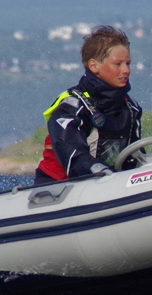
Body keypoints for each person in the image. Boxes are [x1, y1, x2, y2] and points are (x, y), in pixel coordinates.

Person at [34, 25, 143, 185]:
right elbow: (73, 154)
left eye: (128, 63)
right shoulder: (71, 107)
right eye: (118, 64)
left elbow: (134, 155)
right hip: (57, 187)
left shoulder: (131, 108)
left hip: (106, 184)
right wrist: (101, 171)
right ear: (94, 66)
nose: (126, 70)